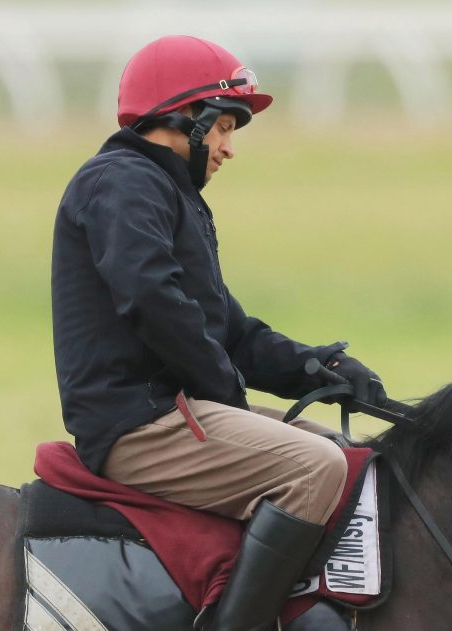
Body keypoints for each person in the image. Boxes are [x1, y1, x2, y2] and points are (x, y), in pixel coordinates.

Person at [51, 35, 385, 630]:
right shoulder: (122, 182)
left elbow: (227, 329)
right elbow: (151, 300)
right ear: (187, 119)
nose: (230, 148)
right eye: (226, 127)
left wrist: (318, 369)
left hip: (178, 412)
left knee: (350, 457)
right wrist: (226, 389)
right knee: (318, 468)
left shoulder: (166, 194)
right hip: (138, 425)